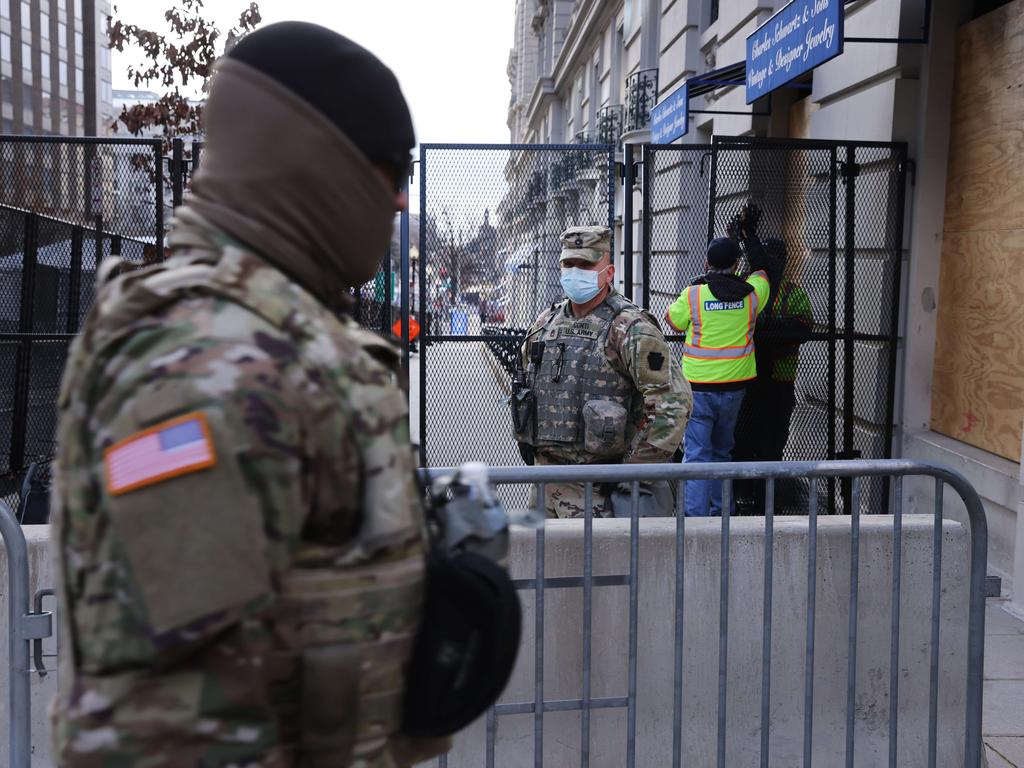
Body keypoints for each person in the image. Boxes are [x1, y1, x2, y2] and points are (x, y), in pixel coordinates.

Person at [50, 22, 446, 767]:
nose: (398, 204)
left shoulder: (264, 334)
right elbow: (166, 729)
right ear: (320, 170)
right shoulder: (211, 361)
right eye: (391, 174)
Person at [511, 225, 691, 518]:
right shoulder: (546, 323)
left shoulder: (629, 328)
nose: (575, 271)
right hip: (544, 485)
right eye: (569, 264)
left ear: (608, 272)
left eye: (585, 264)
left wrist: (632, 474)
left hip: (597, 494)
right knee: (542, 564)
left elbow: (673, 405)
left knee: (591, 566)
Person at [665, 203, 780, 517]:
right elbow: (762, 271)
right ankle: (720, 514)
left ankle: (694, 517)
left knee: (696, 454)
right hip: (735, 388)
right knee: (722, 451)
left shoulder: (694, 295)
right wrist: (749, 239)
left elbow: (672, 322)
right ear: (736, 264)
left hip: (699, 388)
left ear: (706, 263)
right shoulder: (753, 295)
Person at [733, 238, 814, 512]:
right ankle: (739, 499)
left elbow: (803, 327)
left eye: (777, 258)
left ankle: (765, 504)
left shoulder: (792, 293)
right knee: (741, 444)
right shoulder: (746, 289)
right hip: (746, 382)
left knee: (771, 445)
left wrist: (770, 329)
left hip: (778, 384)